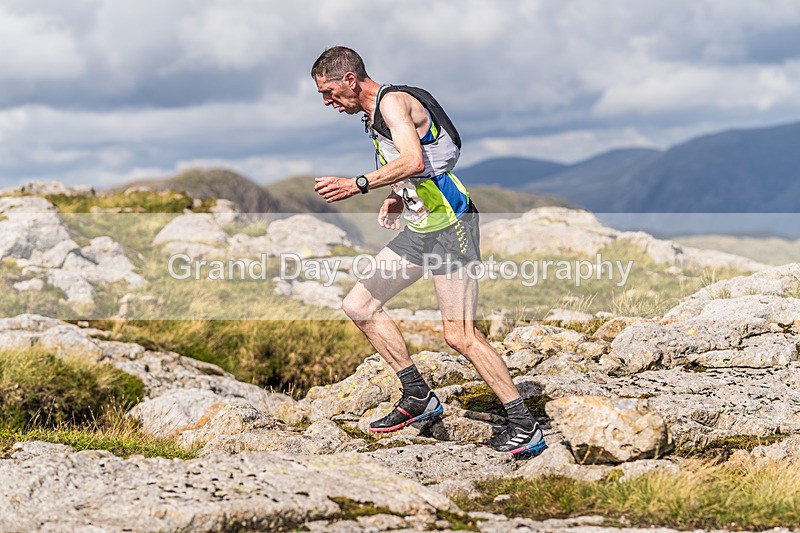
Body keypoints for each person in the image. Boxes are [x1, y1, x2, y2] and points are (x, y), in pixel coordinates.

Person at [310, 46, 546, 459]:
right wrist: (399, 197)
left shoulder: (393, 103)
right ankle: (418, 396)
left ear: (350, 79)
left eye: (329, 92)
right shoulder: (372, 115)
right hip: (423, 228)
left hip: (453, 225)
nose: (328, 102)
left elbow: (415, 158)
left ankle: (524, 426)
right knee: (360, 305)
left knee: (460, 335)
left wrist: (359, 184)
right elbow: (420, 165)